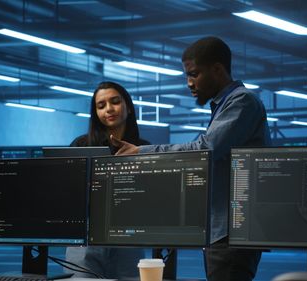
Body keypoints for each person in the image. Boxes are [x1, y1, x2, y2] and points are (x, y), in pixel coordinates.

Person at [111, 37, 272, 281]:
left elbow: (205, 149)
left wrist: (140, 153)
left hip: (233, 231)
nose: (189, 83)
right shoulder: (225, 105)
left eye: (194, 74)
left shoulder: (242, 101)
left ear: (217, 69)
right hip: (223, 230)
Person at [66, 81, 148, 279]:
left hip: (129, 237)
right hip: (87, 238)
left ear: (128, 107)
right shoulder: (81, 145)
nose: (109, 109)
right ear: (96, 113)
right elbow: (66, 190)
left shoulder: (144, 148)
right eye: (101, 106)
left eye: (115, 102)